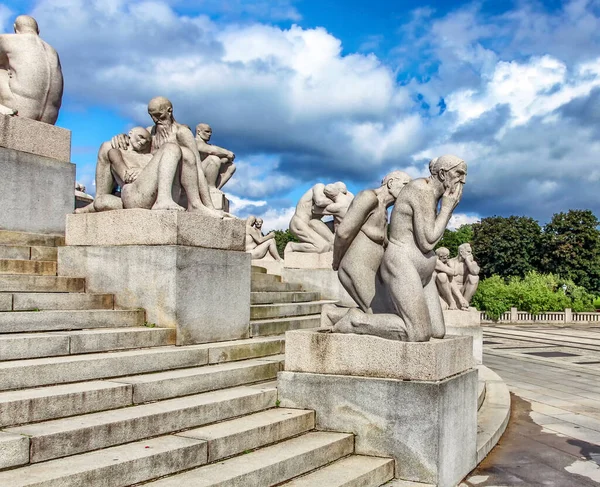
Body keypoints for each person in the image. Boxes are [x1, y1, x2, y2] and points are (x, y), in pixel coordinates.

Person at [331, 155, 467, 342]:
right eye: (459, 173)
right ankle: (356, 321)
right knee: (418, 332)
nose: (463, 180)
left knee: (436, 331)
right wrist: (447, 209)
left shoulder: (430, 197)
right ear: (443, 174)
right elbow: (427, 242)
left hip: (422, 270)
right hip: (402, 265)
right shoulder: (420, 189)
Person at [78, 97, 222, 217]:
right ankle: (100, 196)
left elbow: (196, 167)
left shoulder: (182, 133)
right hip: (140, 188)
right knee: (108, 145)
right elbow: (136, 153)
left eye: (159, 115)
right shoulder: (150, 132)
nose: (155, 120)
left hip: (170, 190)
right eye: (151, 116)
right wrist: (122, 138)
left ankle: (174, 201)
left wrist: (208, 206)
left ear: (169, 111)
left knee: (176, 150)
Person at [333, 171, 411, 312]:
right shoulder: (368, 197)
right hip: (357, 266)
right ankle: (332, 315)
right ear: (391, 183)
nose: (408, 191)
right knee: (380, 314)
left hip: (375, 271)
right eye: (406, 186)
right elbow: (343, 233)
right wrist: (336, 260)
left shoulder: (385, 210)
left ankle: (333, 313)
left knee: (392, 313)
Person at [0, 15, 63, 124]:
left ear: (15, 28)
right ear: (38, 31)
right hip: (49, 119)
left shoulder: (6, 39)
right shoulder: (53, 52)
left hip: (17, 111)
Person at [196, 123, 236, 190]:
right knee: (214, 158)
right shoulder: (194, 142)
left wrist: (227, 157)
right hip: (195, 173)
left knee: (231, 167)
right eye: (207, 131)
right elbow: (210, 150)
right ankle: (211, 188)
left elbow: (214, 150)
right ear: (198, 132)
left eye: (210, 132)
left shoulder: (209, 145)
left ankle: (216, 189)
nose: (210, 134)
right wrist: (228, 153)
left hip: (204, 171)